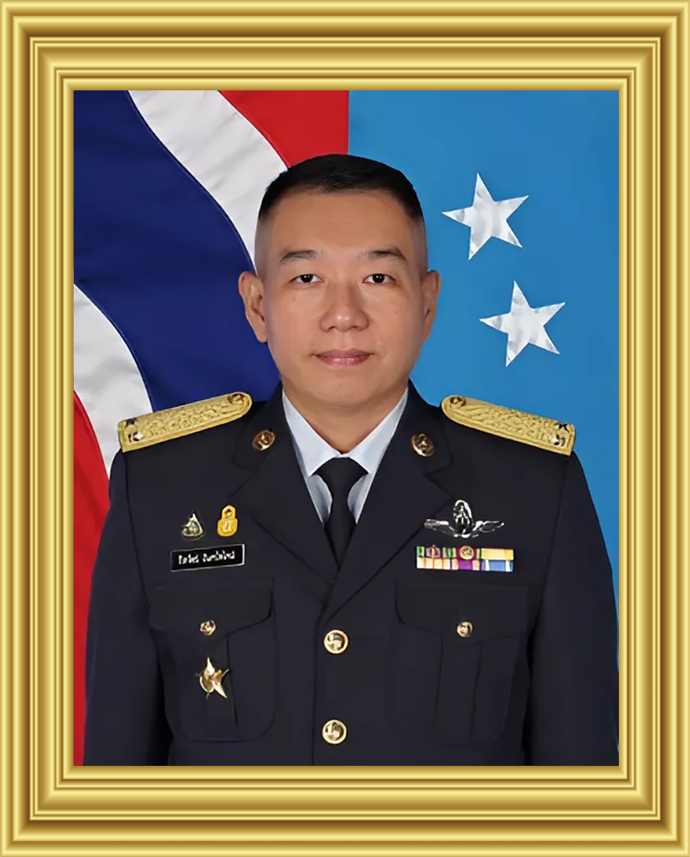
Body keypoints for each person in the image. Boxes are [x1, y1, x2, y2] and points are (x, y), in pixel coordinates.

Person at [83, 153, 618, 766]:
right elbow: (116, 780)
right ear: (257, 305)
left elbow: (580, 780)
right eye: (307, 278)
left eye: (378, 278)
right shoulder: (160, 487)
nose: (344, 316)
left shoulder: (534, 490)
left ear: (427, 303)